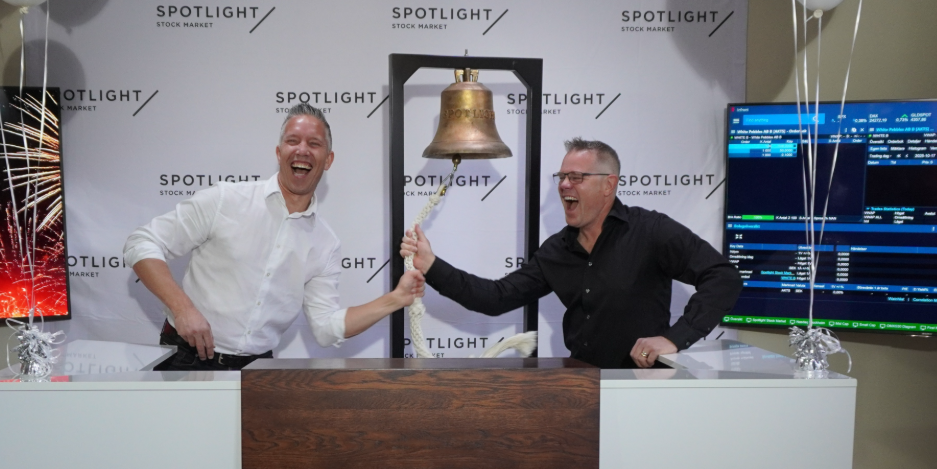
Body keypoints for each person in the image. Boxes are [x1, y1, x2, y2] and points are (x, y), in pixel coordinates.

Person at [125, 104, 424, 370]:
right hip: (186, 357)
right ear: (279, 153)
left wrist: (397, 298)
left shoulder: (326, 243)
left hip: (257, 372)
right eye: (292, 141)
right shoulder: (226, 199)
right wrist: (183, 308)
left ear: (328, 159)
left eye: (314, 143)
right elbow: (142, 243)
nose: (302, 150)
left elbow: (325, 328)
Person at [400, 138, 742, 368]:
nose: (564, 185)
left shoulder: (651, 231)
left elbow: (723, 277)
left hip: (640, 386)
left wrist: (674, 338)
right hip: (578, 385)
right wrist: (430, 264)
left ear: (609, 184)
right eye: (562, 177)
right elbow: (495, 298)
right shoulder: (557, 251)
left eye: (576, 177)